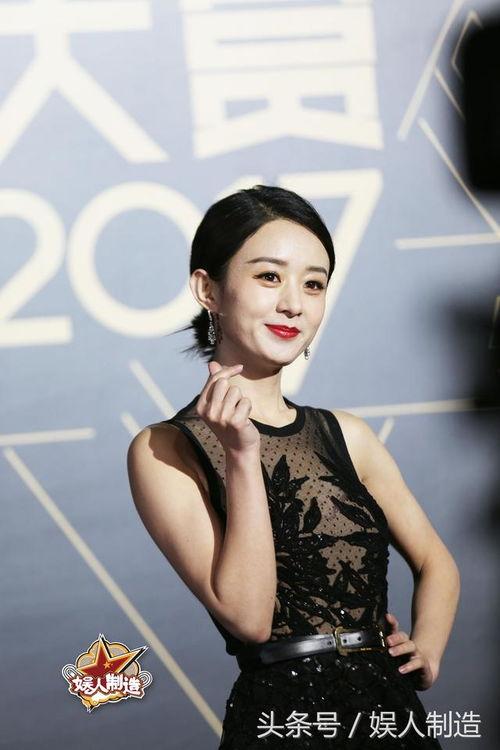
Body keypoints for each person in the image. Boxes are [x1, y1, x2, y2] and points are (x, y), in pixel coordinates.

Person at [127, 185, 460, 749]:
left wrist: (425, 649)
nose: (294, 304)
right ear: (208, 289)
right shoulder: (165, 449)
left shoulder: (347, 435)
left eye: (314, 284)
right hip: (282, 721)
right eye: (268, 276)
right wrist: (241, 454)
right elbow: (249, 618)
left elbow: (436, 562)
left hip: (389, 716)